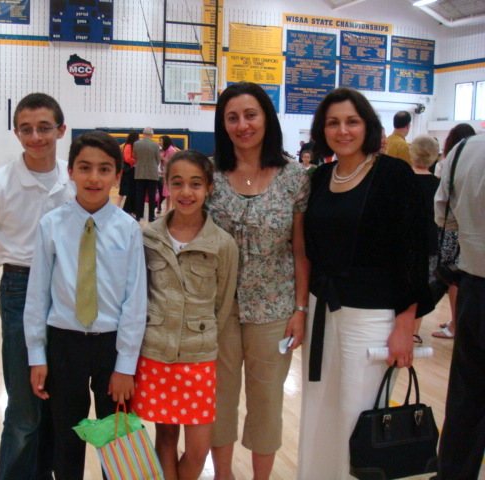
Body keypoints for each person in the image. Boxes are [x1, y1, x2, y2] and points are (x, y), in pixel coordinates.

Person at [297, 87, 433, 480]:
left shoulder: (393, 175)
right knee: (319, 408)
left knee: (358, 413)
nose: (343, 130)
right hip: (325, 311)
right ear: (323, 130)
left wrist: (406, 324)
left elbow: (413, 253)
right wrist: (302, 308)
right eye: (333, 122)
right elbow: (307, 248)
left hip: (372, 315)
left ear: (367, 126)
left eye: (352, 121)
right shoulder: (321, 176)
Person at [0, 93, 74, 480]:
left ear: (61, 129)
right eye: (26, 129)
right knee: (24, 407)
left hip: (67, 287)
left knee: (56, 401)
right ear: (17, 132)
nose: (36, 136)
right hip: (21, 286)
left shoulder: (73, 176)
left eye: (44, 128)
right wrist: (5, 250)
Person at [24, 130, 147, 479]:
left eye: (105, 169)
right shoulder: (51, 226)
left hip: (112, 346)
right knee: (66, 438)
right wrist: (37, 355)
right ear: (71, 172)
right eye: (85, 167)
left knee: (117, 438)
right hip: (64, 344)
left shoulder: (129, 229)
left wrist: (125, 364)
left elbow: (135, 302)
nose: (94, 178)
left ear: (118, 176)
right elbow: (37, 296)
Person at [207, 81, 310, 480]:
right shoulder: (209, 175)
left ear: (267, 118)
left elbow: (301, 251)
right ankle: (222, 475)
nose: (242, 125)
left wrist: (300, 309)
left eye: (251, 115)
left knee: (267, 401)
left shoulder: (295, 178)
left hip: (275, 310)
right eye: (232, 117)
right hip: (218, 311)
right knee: (220, 399)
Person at [134, 150, 238, 480]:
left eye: (195, 184)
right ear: (166, 186)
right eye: (177, 183)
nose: (186, 192)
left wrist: (200, 334)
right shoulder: (149, 237)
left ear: (208, 188)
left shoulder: (222, 244)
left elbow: (222, 306)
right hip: (156, 353)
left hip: (199, 357)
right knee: (164, 437)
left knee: (198, 449)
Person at [434, 133, 485, 480]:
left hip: (475, 287)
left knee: (467, 393)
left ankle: (453, 474)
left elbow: (444, 217)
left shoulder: (465, 149)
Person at [432, 123, 476, 340]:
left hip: (456, 229)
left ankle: (456, 325)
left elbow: (442, 204)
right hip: (469, 229)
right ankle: (457, 322)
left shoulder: (452, 159)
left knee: (454, 279)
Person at [409, 135, 440, 344]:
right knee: (422, 286)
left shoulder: (402, 181)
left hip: (402, 243)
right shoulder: (438, 185)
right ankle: (413, 331)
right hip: (429, 244)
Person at [133, 127, 161, 222]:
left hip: (139, 172)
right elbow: (158, 160)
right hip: (152, 174)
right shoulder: (155, 145)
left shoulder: (136, 144)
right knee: (152, 196)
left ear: (143, 134)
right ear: (152, 135)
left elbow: (135, 156)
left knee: (139, 195)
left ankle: (138, 215)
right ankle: (151, 216)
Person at [117, 130, 139, 214]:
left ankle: (123, 208)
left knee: (127, 191)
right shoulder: (128, 146)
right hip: (127, 171)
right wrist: (136, 161)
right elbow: (127, 158)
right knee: (123, 192)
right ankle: (117, 207)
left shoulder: (132, 146)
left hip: (130, 170)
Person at [158, 135, 177, 213]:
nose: (160, 143)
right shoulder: (164, 150)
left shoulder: (171, 150)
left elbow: (170, 163)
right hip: (165, 173)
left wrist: (161, 158)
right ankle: (167, 209)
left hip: (171, 173)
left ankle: (173, 209)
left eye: (161, 141)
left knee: (171, 192)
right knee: (167, 193)